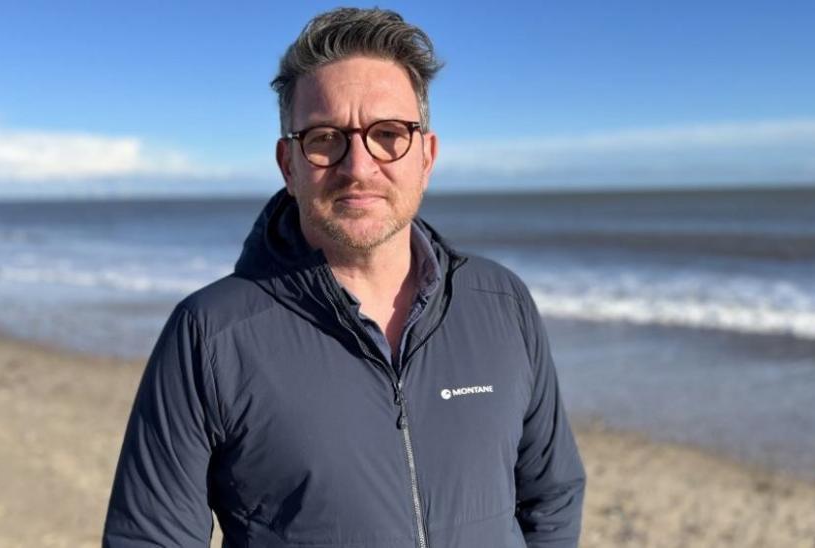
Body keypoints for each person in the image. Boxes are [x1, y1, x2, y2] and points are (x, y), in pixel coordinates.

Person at [103, 7, 585, 548]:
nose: (358, 166)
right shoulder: (209, 334)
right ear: (289, 164)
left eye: (388, 134)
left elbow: (552, 494)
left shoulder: (501, 303)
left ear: (426, 156)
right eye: (326, 137)